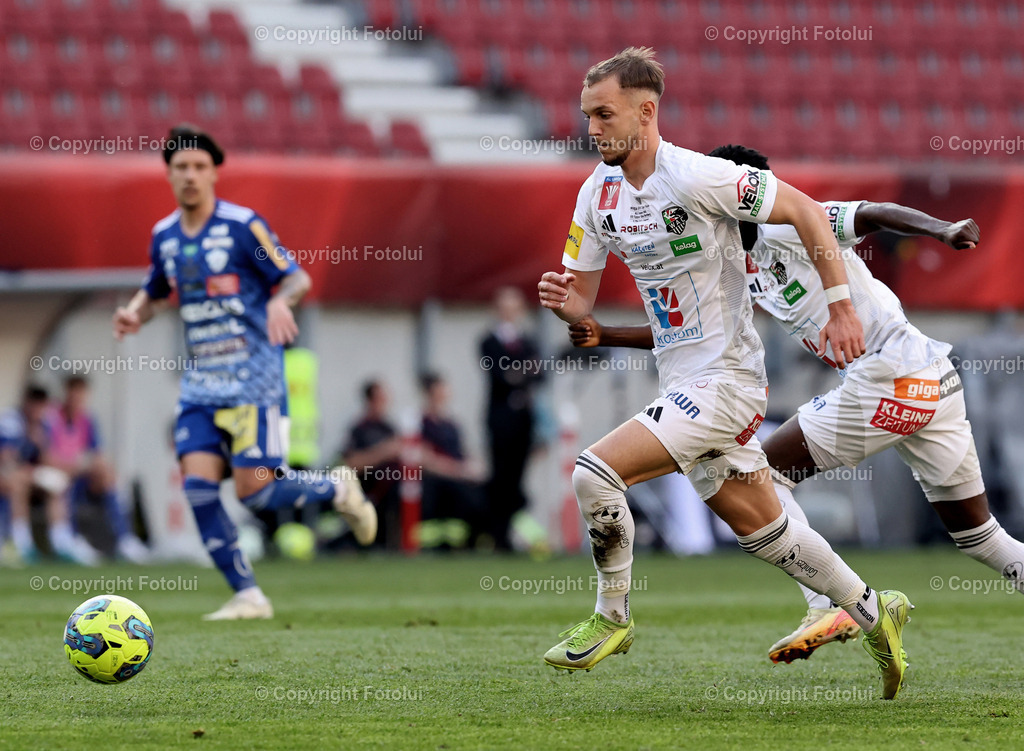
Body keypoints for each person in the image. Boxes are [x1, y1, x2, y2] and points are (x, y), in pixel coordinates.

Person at [536, 48, 912, 699]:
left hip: (727, 381)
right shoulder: (595, 193)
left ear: (646, 111)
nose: (591, 127)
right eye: (586, 115)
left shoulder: (700, 177)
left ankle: (612, 615)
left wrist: (842, 307)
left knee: (595, 472)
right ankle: (875, 614)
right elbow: (584, 301)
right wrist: (569, 305)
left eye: (604, 113)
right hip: (682, 382)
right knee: (770, 534)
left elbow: (801, 210)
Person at [568, 143, 1024, 667]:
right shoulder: (733, 258)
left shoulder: (790, 224)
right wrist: (607, 333)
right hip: (933, 382)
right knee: (982, 537)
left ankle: (827, 604)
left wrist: (941, 228)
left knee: (759, 475)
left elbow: (872, 213)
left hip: (890, 375)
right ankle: (845, 604)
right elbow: (692, 332)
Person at [113, 124, 376, 619]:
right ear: (168, 175)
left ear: (214, 172)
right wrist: (133, 312)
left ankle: (337, 487)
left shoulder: (242, 226)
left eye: (198, 167)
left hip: (255, 382)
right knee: (197, 487)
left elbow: (295, 275)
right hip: (200, 387)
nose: (189, 176)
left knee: (256, 493)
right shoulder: (164, 236)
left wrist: (280, 300)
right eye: (180, 168)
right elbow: (154, 290)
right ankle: (248, 595)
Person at [46, 376, 150, 563]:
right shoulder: (52, 418)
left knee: (108, 476)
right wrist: (74, 465)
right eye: (74, 393)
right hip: (60, 472)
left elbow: (97, 452)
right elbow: (46, 455)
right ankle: (72, 539)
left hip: (81, 474)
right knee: (61, 482)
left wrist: (92, 465)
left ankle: (124, 538)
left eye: (81, 395)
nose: (77, 399)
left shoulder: (87, 419)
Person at [0, 385, 99, 564]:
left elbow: (46, 458)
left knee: (57, 483)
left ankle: (61, 541)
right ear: (27, 404)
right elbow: (7, 459)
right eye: (35, 405)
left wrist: (41, 444)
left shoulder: (44, 424)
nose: (37, 411)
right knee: (17, 482)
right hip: (10, 476)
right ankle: (21, 543)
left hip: (29, 476)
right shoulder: (11, 421)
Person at [480, 287, 542, 550]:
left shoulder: (527, 340)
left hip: (523, 420)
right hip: (501, 420)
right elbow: (500, 375)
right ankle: (498, 535)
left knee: (517, 478)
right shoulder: (489, 341)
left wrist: (518, 373)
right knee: (500, 477)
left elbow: (539, 373)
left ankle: (511, 532)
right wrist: (521, 371)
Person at [417, 373, 482, 550]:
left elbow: (463, 453)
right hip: (436, 480)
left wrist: (473, 468)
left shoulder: (451, 425)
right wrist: (458, 470)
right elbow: (426, 459)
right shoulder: (421, 424)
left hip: (458, 477)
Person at [342, 380, 402, 549]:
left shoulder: (389, 428)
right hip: (371, 485)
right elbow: (351, 463)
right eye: (380, 398)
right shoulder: (360, 429)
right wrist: (383, 452)